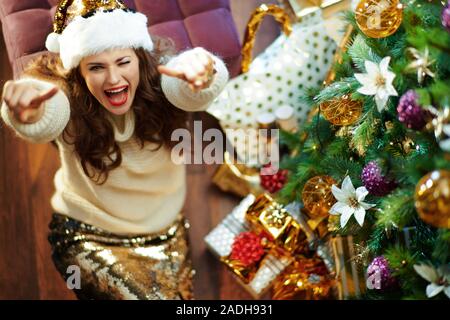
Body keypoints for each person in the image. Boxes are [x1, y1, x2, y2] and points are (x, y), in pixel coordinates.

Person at [0, 0, 229, 300]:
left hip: (165, 230)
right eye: (96, 67)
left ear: (140, 58)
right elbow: (48, 111)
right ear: (79, 73)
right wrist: (27, 113)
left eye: (123, 62)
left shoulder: (164, 79)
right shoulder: (65, 94)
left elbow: (190, 90)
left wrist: (204, 72)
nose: (113, 79)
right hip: (89, 232)